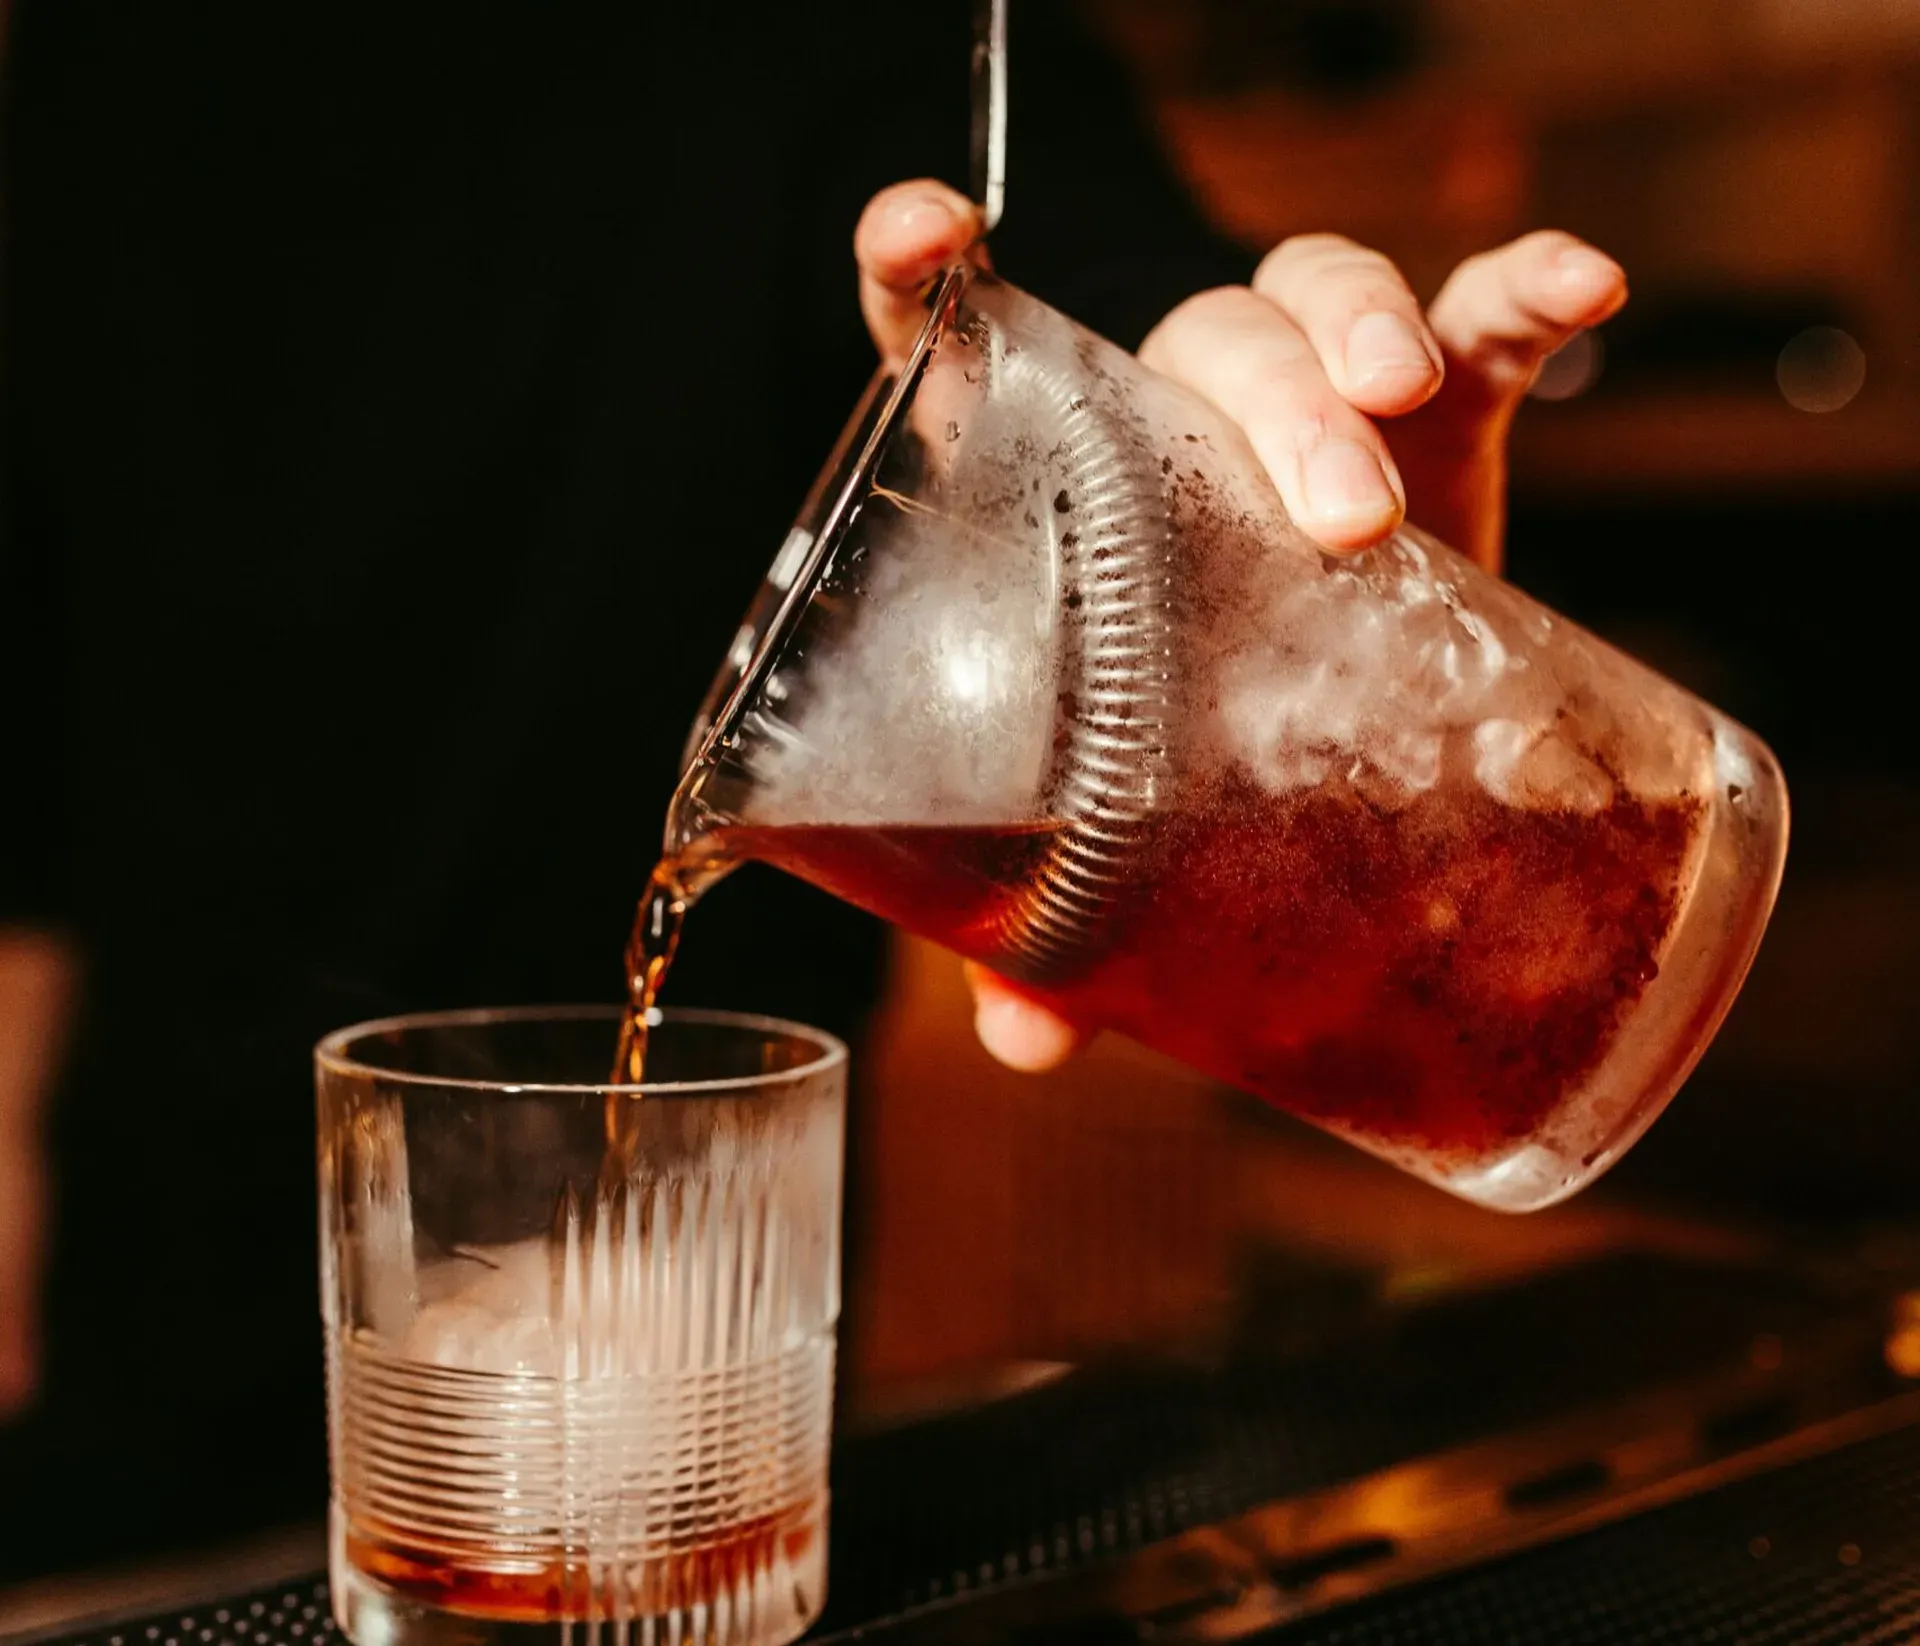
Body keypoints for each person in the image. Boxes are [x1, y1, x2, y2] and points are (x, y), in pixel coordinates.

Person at [0, 0, 1623, 1578]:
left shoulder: (843, 29)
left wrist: (1241, 462)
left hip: (697, 1372)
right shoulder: (97, 47)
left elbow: (1061, 254)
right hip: (149, 1228)